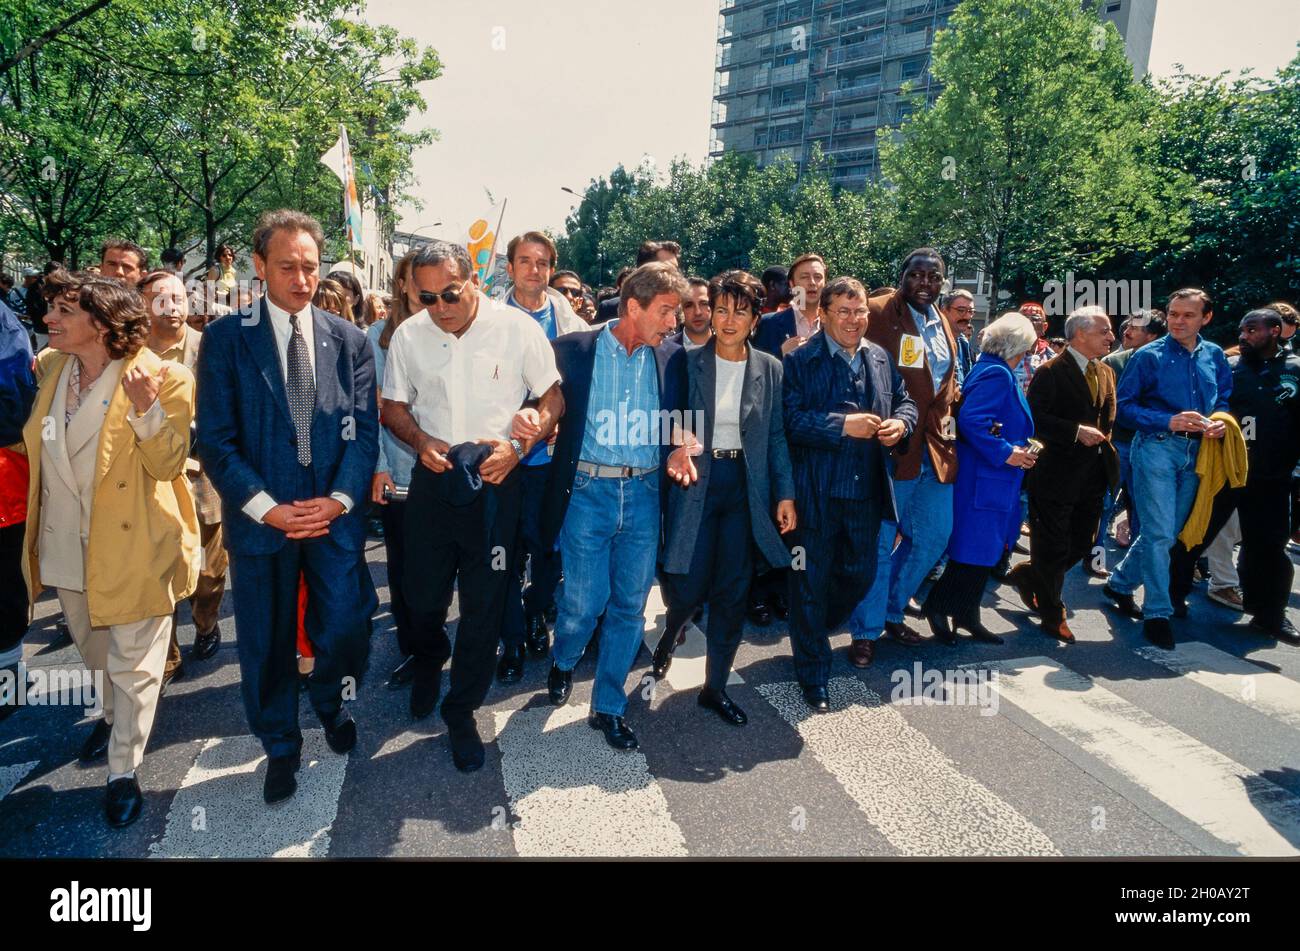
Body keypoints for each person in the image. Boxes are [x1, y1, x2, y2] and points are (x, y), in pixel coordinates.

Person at [196, 209, 378, 805]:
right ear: (258, 267)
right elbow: (217, 441)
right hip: (263, 526)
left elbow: (363, 431)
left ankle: (332, 702)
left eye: (309, 266)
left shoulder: (348, 340)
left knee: (346, 627)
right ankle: (280, 744)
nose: (301, 279)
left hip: (333, 520)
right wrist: (267, 508)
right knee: (267, 642)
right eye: (287, 267)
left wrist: (340, 499)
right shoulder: (227, 338)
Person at [19, 271, 199, 827]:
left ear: (100, 324)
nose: (48, 319)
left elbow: (170, 464)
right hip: (66, 547)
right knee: (95, 654)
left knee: (135, 665)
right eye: (50, 309)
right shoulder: (49, 368)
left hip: (135, 545)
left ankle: (124, 770)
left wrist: (146, 412)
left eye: (62, 311)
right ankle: (115, 715)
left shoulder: (164, 377)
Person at [381, 240, 563, 771]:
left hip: (495, 478)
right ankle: (430, 657)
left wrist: (521, 445)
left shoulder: (517, 329)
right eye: (427, 296)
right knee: (420, 596)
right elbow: (392, 406)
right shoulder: (409, 335)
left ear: (475, 281)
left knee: (484, 603)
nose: (439, 307)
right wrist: (419, 441)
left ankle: (461, 709)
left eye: (450, 294)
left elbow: (553, 397)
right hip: (433, 481)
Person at [541, 262, 688, 750]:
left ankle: (608, 705)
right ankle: (563, 658)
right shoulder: (571, 352)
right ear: (633, 307)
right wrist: (530, 420)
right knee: (584, 602)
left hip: (645, 494)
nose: (674, 322)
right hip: (587, 491)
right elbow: (536, 404)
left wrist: (685, 447)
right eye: (665, 311)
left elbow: (683, 421)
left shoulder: (672, 358)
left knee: (629, 605)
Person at [654, 270, 796, 725]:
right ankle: (672, 629)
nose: (729, 319)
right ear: (709, 313)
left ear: (756, 317)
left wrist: (785, 494)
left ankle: (714, 688)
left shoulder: (770, 369)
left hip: (744, 486)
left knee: (734, 590)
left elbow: (775, 437)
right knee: (690, 584)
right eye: (721, 309)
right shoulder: (687, 362)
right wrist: (677, 443)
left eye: (740, 311)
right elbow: (668, 418)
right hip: (696, 480)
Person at [782, 276, 916, 711]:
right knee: (809, 583)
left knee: (859, 576)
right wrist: (841, 425)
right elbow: (788, 422)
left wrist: (902, 424)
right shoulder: (801, 362)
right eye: (843, 311)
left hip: (866, 494)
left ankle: (812, 628)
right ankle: (813, 673)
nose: (854, 320)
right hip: (816, 495)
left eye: (859, 312)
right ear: (822, 314)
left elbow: (905, 401)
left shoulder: (878, 357)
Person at [847, 249, 962, 666]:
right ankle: (865, 630)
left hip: (937, 448)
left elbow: (945, 382)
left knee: (934, 535)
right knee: (880, 542)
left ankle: (892, 610)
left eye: (934, 277)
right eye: (916, 275)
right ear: (902, 277)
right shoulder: (877, 312)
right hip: (892, 446)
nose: (925, 283)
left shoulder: (942, 321)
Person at [1103, 289, 1232, 650]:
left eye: (1187, 315)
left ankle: (1120, 582)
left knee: (1168, 533)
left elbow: (1223, 398)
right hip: (1156, 448)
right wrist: (1168, 420)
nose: (1178, 321)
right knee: (1160, 534)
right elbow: (1123, 408)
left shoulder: (1215, 355)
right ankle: (1157, 612)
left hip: (1199, 453)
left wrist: (1220, 421)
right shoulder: (1147, 356)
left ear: (1205, 318)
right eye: (1174, 314)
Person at [496, 232, 586, 682]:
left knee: (550, 552)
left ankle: (536, 612)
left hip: (553, 464)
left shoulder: (569, 323)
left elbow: (579, 392)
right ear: (509, 269)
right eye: (525, 261)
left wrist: (559, 429)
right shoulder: (489, 320)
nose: (535, 270)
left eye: (543, 262)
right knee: (504, 555)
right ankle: (510, 640)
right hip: (504, 461)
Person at [922, 313, 1038, 644]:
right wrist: (1007, 452)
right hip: (986, 477)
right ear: (1019, 344)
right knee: (973, 550)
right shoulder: (997, 374)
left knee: (982, 550)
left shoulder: (992, 368)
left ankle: (966, 612)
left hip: (989, 477)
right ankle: (939, 605)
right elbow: (973, 420)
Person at [1005, 306, 1118, 643]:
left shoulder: (1106, 372)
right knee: (1052, 546)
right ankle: (1053, 613)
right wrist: (1073, 431)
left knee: (1082, 542)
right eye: (1104, 331)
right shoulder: (1051, 372)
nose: (1111, 337)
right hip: (1054, 476)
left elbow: (1108, 419)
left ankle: (1030, 575)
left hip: (1093, 477)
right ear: (1080, 334)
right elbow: (1034, 418)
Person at [140, 270, 226, 682]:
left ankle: (207, 622)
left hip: (205, 477)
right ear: (142, 304)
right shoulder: (129, 354)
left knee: (208, 573)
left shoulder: (211, 348)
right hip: (150, 481)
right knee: (159, 573)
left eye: (178, 298)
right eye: (160, 298)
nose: (171, 307)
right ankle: (167, 656)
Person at [1226, 308, 1300, 643]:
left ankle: (1269, 614)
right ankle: (1167, 606)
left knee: (1268, 546)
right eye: (1242, 330)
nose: (1244, 336)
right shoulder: (1229, 369)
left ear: (1275, 330)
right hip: (1225, 473)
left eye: (1252, 330)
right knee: (1192, 538)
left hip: (1272, 475)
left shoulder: (1295, 370)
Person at [0, 294, 37, 721]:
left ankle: (8, 673)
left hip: (4, 483)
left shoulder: (5, 326)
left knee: (5, 582)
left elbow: (14, 406)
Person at [1101, 310, 1167, 544]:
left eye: (1134, 328)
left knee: (1145, 509)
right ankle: (1093, 554)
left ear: (1152, 336)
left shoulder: (1170, 366)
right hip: (1118, 444)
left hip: (1155, 447)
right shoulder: (1113, 362)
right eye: (1127, 326)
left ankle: (1137, 564)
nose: (1126, 332)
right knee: (1105, 501)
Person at [753, 252, 827, 361]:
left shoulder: (836, 324)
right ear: (792, 284)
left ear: (825, 283)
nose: (812, 282)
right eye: (804, 277)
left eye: (818, 277)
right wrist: (780, 353)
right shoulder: (767, 324)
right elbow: (755, 369)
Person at [596, 241, 681, 322]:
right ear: (643, 271)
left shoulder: (682, 310)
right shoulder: (610, 309)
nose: (675, 275)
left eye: (676, 270)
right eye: (667, 269)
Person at [1015, 302, 1052, 393]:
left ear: (1044, 327)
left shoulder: (1052, 358)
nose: (1028, 322)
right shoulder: (1001, 354)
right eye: (1023, 318)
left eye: (1035, 318)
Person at [668, 276, 712, 351]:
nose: (697, 312)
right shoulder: (662, 351)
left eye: (704, 304)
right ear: (680, 309)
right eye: (689, 305)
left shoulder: (732, 346)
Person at [941, 289, 975, 383]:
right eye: (961, 310)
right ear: (944, 311)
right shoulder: (933, 340)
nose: (967, 316)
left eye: (971, 311)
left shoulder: (964, 343)